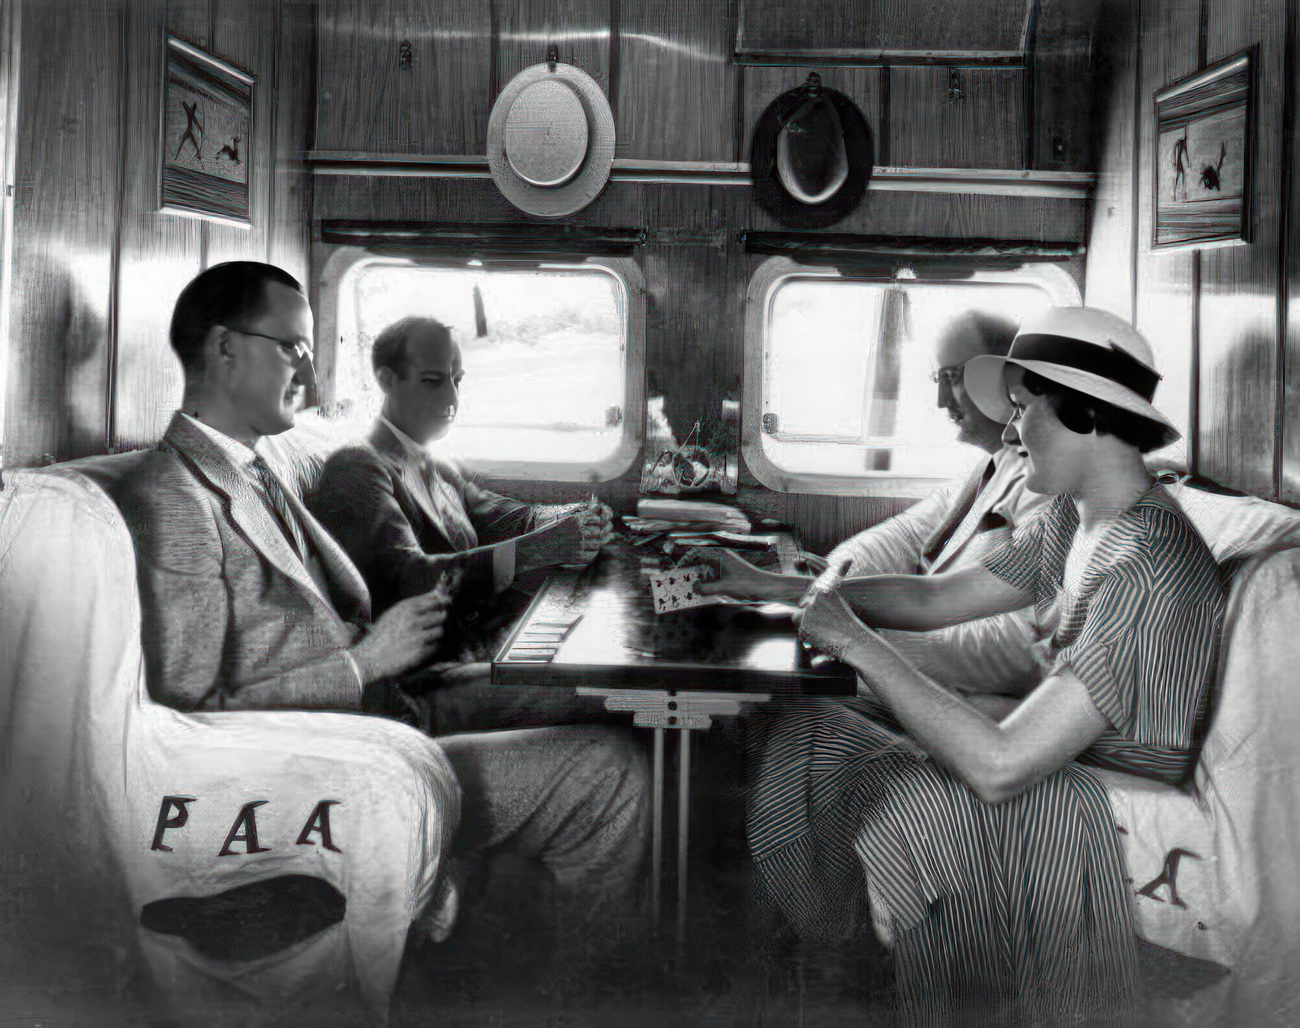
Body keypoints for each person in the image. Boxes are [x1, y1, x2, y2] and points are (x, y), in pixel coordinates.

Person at [109, 263, 647, 959]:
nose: (311, 378)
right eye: (293, 349)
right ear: (224, 348)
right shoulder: (175, 498)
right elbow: (189, 713)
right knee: (614, 771)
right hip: (350, 750)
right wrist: (365, 662)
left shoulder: (256, 470)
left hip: (393, 702)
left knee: (610, 698)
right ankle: (583, 989)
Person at [742, 307, 1224, 1022]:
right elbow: (936, 598)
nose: (1008, 431)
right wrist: (796, 593)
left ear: (1086, 413)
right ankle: (827, 960)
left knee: (911, 795)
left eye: (1023, 409)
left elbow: (1003, 767)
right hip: (1060, 749)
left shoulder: (1147, 565)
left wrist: (855, 642)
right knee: (814, 727)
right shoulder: (1080, 517)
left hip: (1097, 788)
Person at [701, 310, 1050, 699]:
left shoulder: (1044, 486)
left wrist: (853, 635)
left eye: (954, 378)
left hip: (958, 695)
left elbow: (1018, 651)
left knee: (775, 706)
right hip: (912, 666)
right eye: (939, 380)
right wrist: (823, 580)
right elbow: (906, 536)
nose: (940, 402)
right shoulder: (990, 464)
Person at [308, 315, 616, 733]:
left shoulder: (434, 465)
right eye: (434, 381)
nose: (452, 398)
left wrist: (574, 517)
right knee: (611, 686)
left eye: (457, 381)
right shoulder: (357, 468)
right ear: (387, 380)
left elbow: (506, 515)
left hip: (479, 644)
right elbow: (408, 580)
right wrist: (537, 549)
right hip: (422, 680)